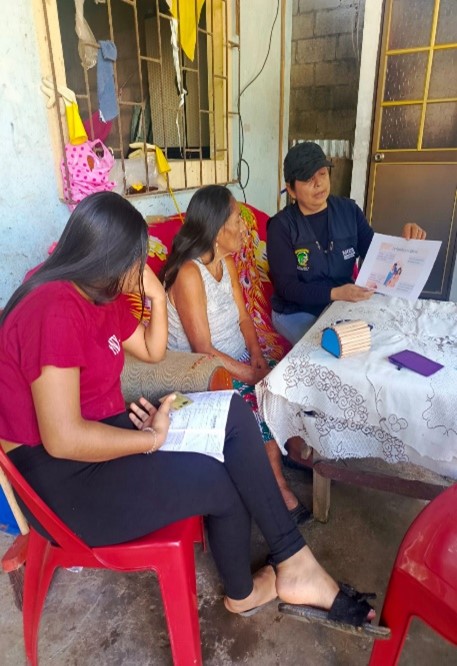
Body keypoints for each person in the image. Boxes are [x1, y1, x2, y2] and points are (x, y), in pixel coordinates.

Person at [0, 191, 388, 636]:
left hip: (102, 439)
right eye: (135, 259)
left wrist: (154, 294)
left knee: (233, 413)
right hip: (65, 486)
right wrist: (150, 439)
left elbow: (152, 350)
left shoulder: (99, 296)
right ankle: (246, 592)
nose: (140, 267)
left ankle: (295, 561)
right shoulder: (54, 308)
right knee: (220, 479)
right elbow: (63, 439)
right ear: (106, 256)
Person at [161, 185, 310, 524]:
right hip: (199, 371)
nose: (245, 228)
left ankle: (291, 450)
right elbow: (202, 349)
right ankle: (276, 485)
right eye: (238, 221)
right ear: (216, 231)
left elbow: (244, 318)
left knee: (288, 375)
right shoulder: (188, 274)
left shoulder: (226, 263)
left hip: (236, 357)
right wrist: (250, 375)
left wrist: (256, 356)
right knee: (254, 398)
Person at [267, 141, 427, 345]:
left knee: (381, 340)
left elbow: (376, 256)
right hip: (297, 311)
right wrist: (335, 293)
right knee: (328, 348)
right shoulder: (281, 226)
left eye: (322, 173)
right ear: (291, 189)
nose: (318, 183)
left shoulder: (348, 211)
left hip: (341, 304)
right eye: (308, 179)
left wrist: (405, 244)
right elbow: (287, 288)